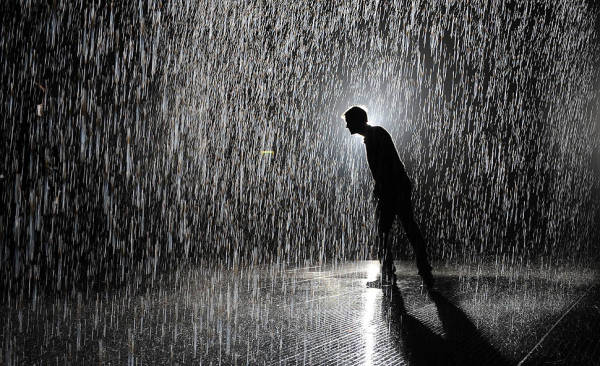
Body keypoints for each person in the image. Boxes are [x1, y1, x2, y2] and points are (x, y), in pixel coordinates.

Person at [342, 106, 434, 288]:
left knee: (389, 232)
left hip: (393, 188)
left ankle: (392, 273)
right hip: (395, 186)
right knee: (406, 228)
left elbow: (385, 165)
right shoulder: (373, 136)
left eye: (348, 122)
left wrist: (382, 188)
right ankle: (423, 271)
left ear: (357, 121)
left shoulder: (375, 135)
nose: (346, 127)